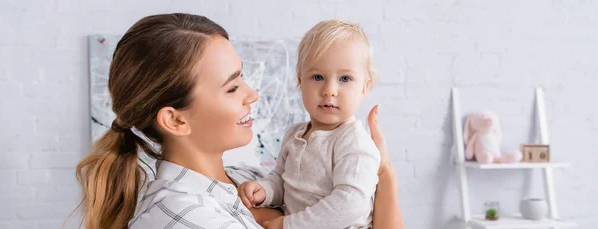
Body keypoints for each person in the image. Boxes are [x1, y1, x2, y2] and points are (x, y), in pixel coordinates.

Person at [71, 13, 404, 229]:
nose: (252, 95)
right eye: (232, 87)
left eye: (242, 78)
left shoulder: (242, 180)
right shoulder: (186, 217)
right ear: (175, 120)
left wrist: (383, 171)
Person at [238, 19, 382, 229]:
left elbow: (349, 206)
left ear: (364, 87)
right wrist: (265, 190)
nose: (329, 90)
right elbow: (281, 179)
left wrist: (288, 225)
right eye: (317, 77)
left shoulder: (354, 144)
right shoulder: (294, 134)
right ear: (300, 82)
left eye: (345, 79)